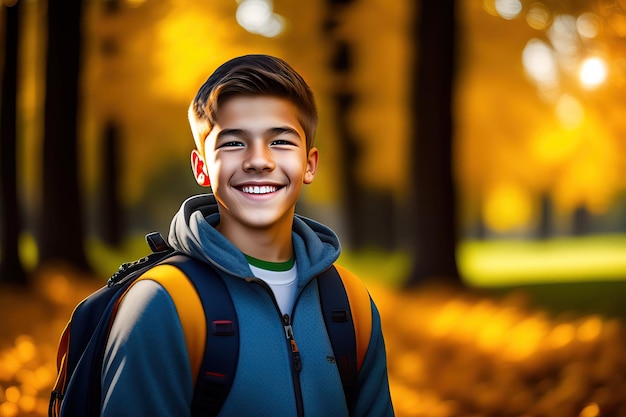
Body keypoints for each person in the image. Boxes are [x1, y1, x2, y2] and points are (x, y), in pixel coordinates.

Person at [100, 54, 395, 416]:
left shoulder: (352, 304)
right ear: (202, 168)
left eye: (282, 142)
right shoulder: (164, 303)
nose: (259, 160)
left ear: (310, 164)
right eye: (234, 143)